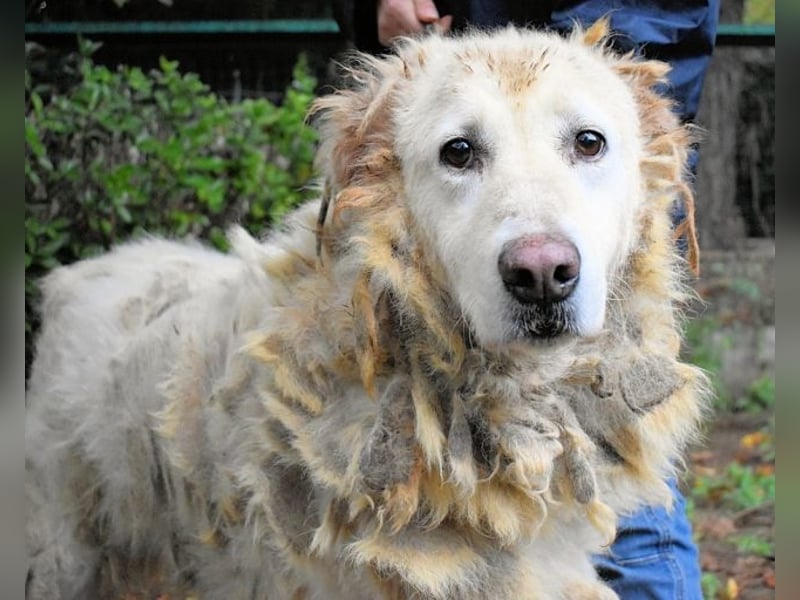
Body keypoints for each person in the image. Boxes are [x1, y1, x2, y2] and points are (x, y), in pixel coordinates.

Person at [333, 1, 720, 598]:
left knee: (620, 483)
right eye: (462, 152)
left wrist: (596, 50)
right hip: (445, 59)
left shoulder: (619, 106)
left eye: (586, 145)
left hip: (617, 48)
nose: (541, 261)